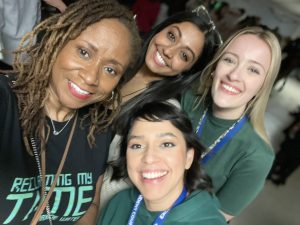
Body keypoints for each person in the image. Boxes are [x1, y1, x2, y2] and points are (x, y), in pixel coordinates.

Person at [0, 0, 141, 224]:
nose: (91, 77)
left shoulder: (98, 127)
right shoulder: (6, 101)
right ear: (58, 41)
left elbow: (90, 205)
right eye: (84, 52)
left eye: (110, 69)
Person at [100, 4, 223, 209]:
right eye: (172, 36)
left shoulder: (162, 113)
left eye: (184, 56)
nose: (168, 50)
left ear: (186, 70)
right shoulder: (121, 54)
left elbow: (123, 181)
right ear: (161, 28)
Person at [181, 26, 282, 221]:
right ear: (215, 67)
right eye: (229, 60)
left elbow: (212, 220)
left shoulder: (257, 156)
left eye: (253, 70)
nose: (234, 75)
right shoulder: (186, 99)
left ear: (262, 86)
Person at [98, 101, 227, 225]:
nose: (149, 158)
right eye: (137, 146)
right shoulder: (119, 203)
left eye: (166, 144)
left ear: (188, 158)